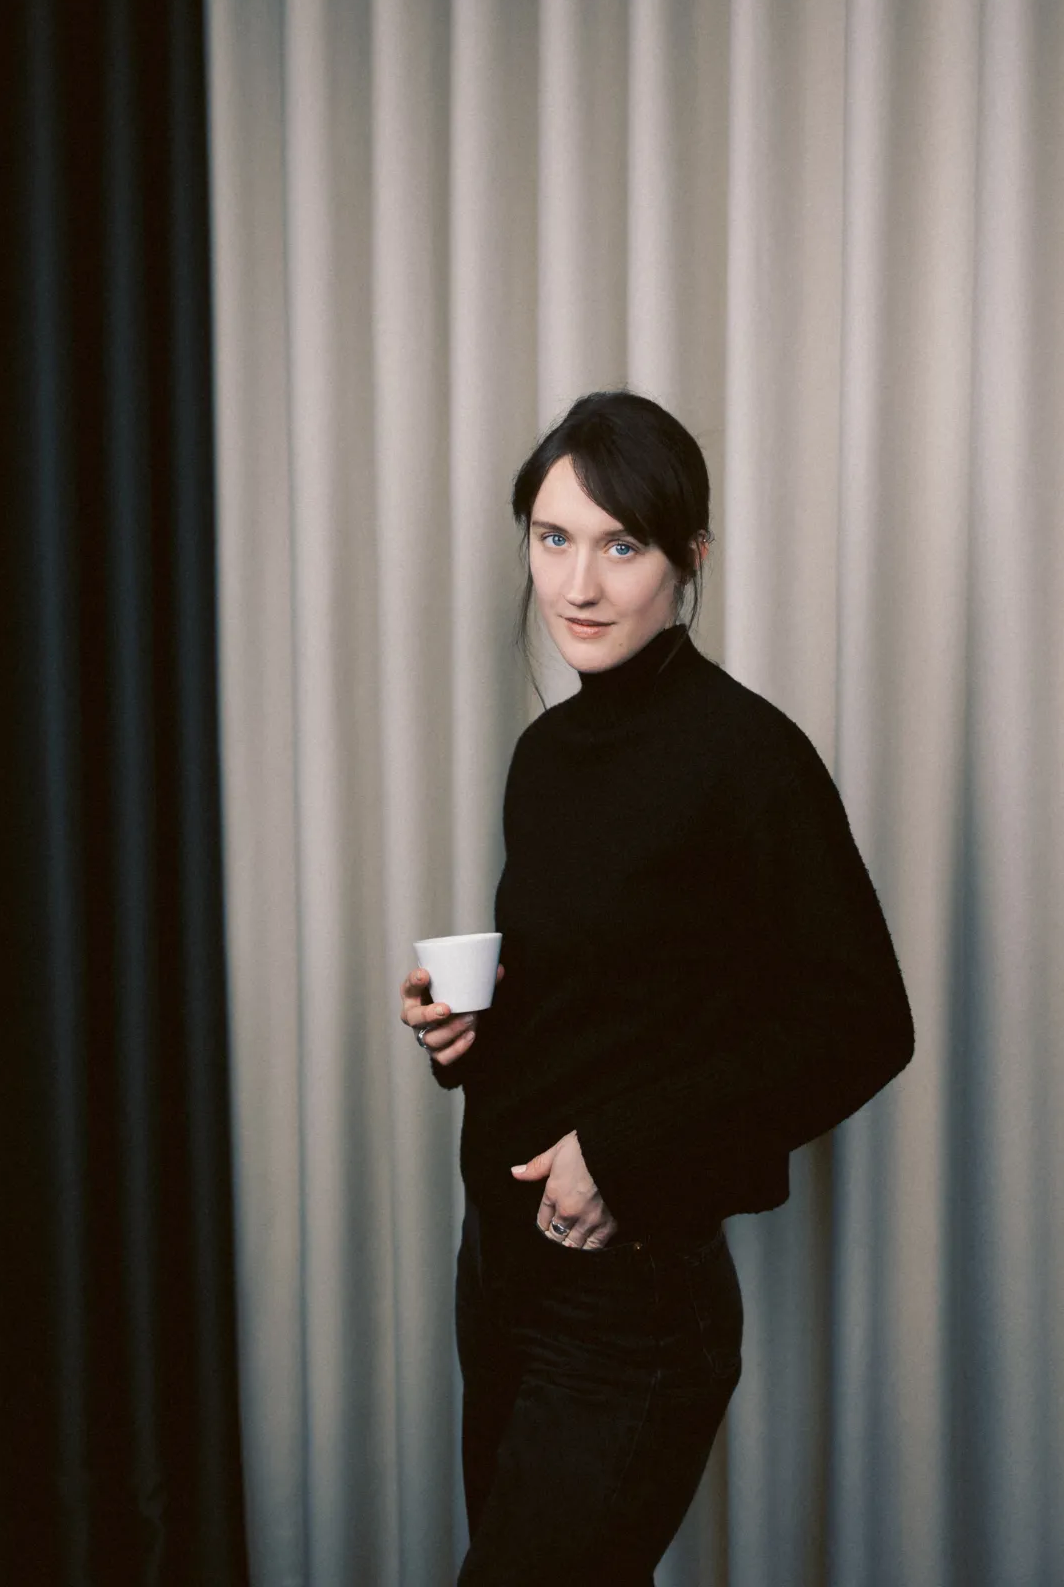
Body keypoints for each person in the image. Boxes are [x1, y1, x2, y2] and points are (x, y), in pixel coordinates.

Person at [398, 390, 915, 1585]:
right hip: (500, 1273)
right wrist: (466, 1026)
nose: (576, 584)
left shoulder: (749, 757)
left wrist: (624, 1152)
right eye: (552, 538)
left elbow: (861, 1024)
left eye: (620, 544)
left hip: (628, 1307)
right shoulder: (544, 756)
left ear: (687, 558)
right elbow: (607, 1000)